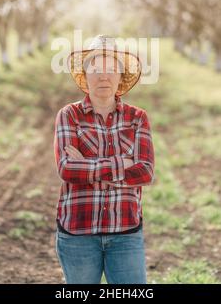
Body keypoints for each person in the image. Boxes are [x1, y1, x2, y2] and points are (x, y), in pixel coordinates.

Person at [53, 34, 155, 284]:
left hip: (125, 232)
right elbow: (67, 169)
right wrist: (123, 164)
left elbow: (145, 172)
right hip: (78, 231)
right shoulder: (69, 115)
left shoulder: (137, 117)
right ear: (85, 76)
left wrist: (89, 168)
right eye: (96, 69)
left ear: (120, 77)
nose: (103, 76)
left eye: (111, 70)